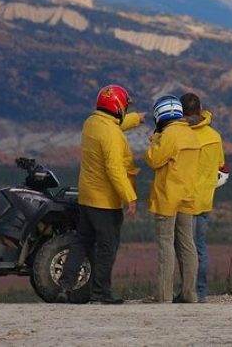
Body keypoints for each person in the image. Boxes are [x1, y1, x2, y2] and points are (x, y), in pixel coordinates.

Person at [59, 84, 142, 304]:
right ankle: (101, 293)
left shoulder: (91, 123)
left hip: (86, 197)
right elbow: (114, 169)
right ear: (117, 106)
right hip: (105, 202)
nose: (125, 108)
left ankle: (65, 285)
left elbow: (113, 125)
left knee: (81, 242)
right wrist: (129, 196)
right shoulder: (111, 134)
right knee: (107, 247)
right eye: (124, 105)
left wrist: (136, 119)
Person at [145, 95, 200, 303]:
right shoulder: (190, 134)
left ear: (159, 115)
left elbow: (153, 159)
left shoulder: (169, 135)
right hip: (188, 196)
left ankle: (164, 295)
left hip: (168, 197)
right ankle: (189, 293)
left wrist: (154, 139)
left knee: (165, 245)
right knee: (187, 244)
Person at [180, 93, 228, 303]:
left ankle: (187, 292)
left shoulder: (179, 135)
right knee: (199, 246)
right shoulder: (214, 136)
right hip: (205, 198)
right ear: (200, 110)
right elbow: (220, 165)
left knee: (184, 248)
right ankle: (200, 292)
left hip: (183, 199)